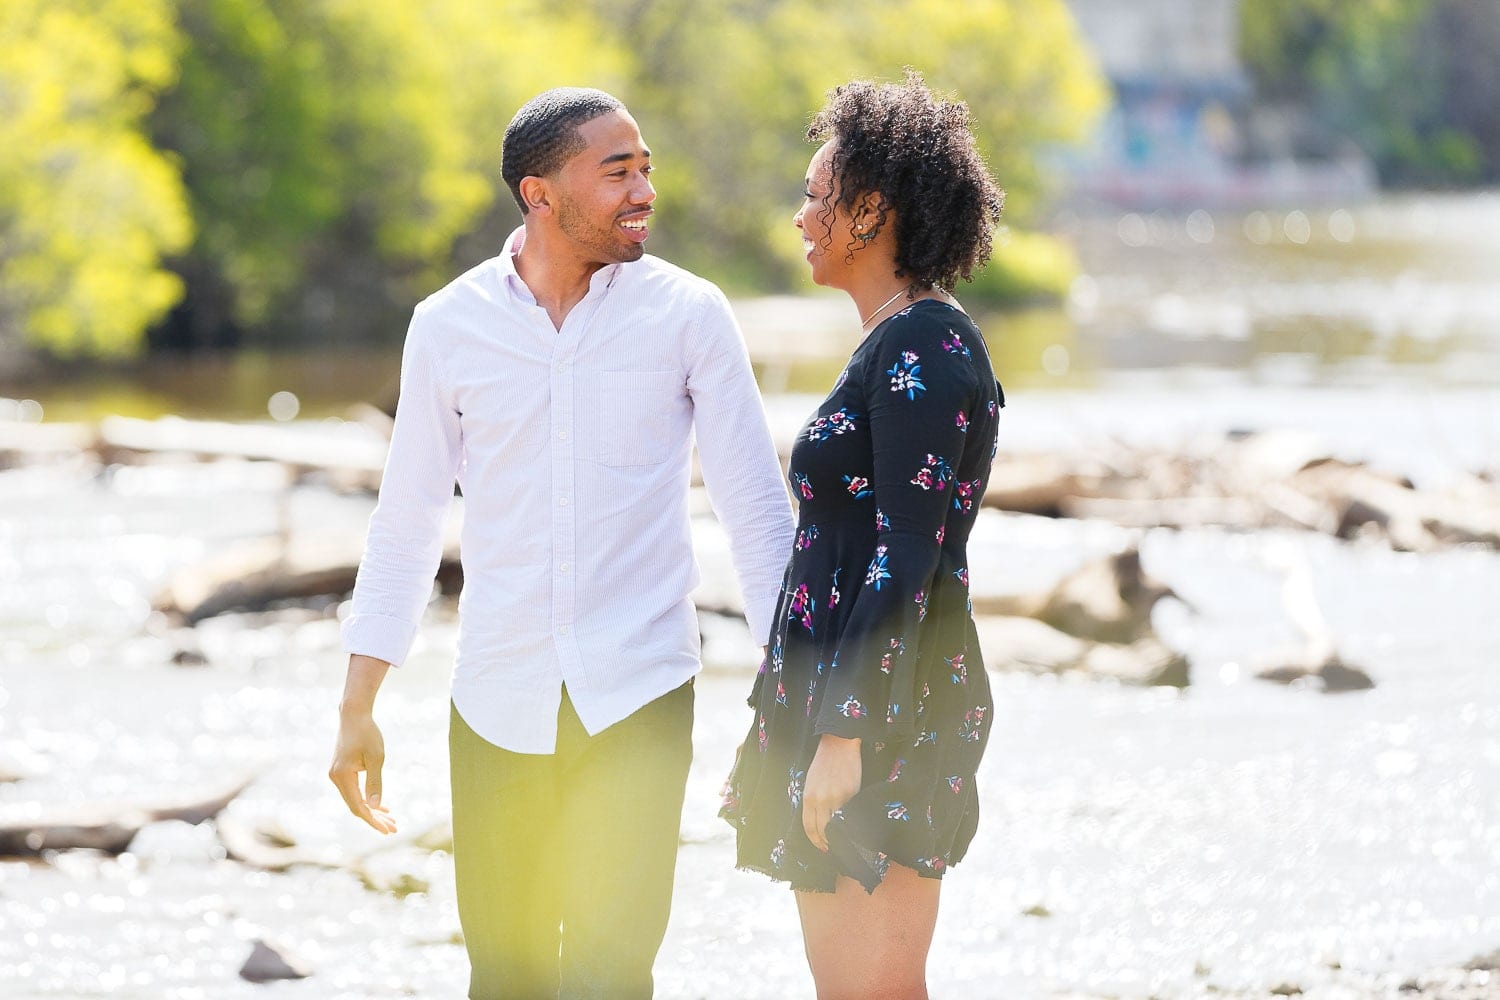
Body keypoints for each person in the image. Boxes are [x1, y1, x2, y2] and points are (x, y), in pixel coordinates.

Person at [329, 87, 794, 999]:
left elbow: (757, 511)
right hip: (498, 697)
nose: (643, 190)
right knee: (506, 976)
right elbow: (409, 518)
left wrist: (799, 695)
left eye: (646, 167)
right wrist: (358, 704)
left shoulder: (690, 315)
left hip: (641, 690)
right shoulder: (448, 324)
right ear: (539, 193)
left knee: (611, 972)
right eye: (617, 170)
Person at [718, 71, 1005, 999]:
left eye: (815, 197)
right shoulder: (894, 337)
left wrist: (844, 733)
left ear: (871, 210)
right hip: (847, 693)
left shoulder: (925, 344)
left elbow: (904, 555)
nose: (800, 217)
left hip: (888, 706)